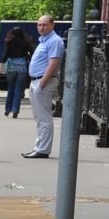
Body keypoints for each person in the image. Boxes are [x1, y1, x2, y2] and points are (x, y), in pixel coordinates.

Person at [25, 13, 66, 158]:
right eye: (39, 25)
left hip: (43, 82)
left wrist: (42, 82)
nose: (41, 27)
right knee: (39, 118)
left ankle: (43, 150)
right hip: (36, 81)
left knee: (44, 118)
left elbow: (53, 63)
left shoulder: (54, 41)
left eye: (44, 25)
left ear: (52, 25)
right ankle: (39, 147)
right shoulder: (44, 41)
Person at [3, 24, 37, 117]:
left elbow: (5, 55)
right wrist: (27, 56)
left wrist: (0, 67)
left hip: (11, 67)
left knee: (10, 89)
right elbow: (32, 51)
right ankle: (15, 110)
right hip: (22, 67)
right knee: (18, 89)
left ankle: (7, 109)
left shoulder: (9, 42)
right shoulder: (25, 43)